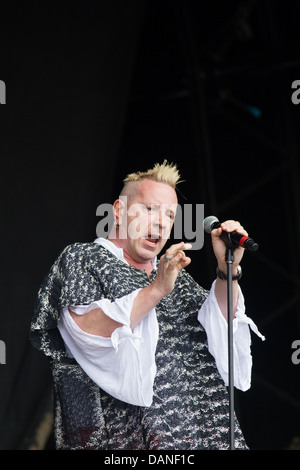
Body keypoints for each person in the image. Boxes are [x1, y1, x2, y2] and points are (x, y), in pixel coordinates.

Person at [30, 160, 264, 450]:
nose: (161, 221)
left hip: (209, 436)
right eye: (149, 209)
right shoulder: (83, 259)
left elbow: (220, 330)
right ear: (119, 210)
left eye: (169, 215)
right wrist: (155, 290)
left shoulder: (176, 277)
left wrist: (227, 271)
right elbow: (88, 331)